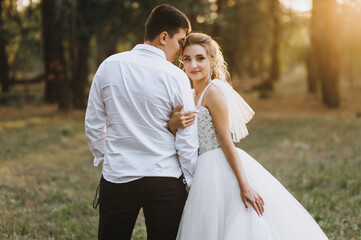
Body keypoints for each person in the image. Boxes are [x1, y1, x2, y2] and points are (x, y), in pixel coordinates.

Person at [168, 32, 329, 240]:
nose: (193, 65)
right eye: (187, 59)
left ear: (212, 60)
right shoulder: (189, 96)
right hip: (200, 168)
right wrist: (173, 123)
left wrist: (244, 185)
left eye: (200, 58)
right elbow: (181, 134)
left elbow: (226, 141)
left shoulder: (213, 92)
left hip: (217, 163)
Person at [85, 5, 198, 240]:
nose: (181, 50)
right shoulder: (176, 76)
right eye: (180, 41)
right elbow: (187, 136)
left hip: (118, 177)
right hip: (165, 178)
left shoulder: (109, 66)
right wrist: (190, 180)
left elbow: (94, 124)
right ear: (164, 37)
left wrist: (109, 159)